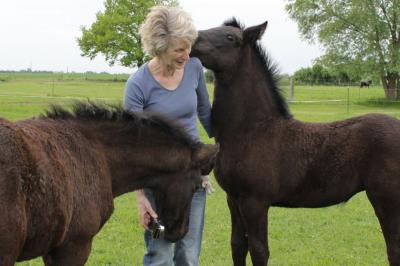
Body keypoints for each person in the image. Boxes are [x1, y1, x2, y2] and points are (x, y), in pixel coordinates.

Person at [123, 5, 214, 266]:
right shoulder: (138, 84)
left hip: (193, 177)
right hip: (157, 184)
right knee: (160, 255)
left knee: (188, 254)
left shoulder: (194, 68)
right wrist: (140, 198)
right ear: (159, 48)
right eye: (179, 49)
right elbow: (132, 147)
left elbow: (206, 114)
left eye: (188, 47)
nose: (187, 55)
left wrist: (226, 145)